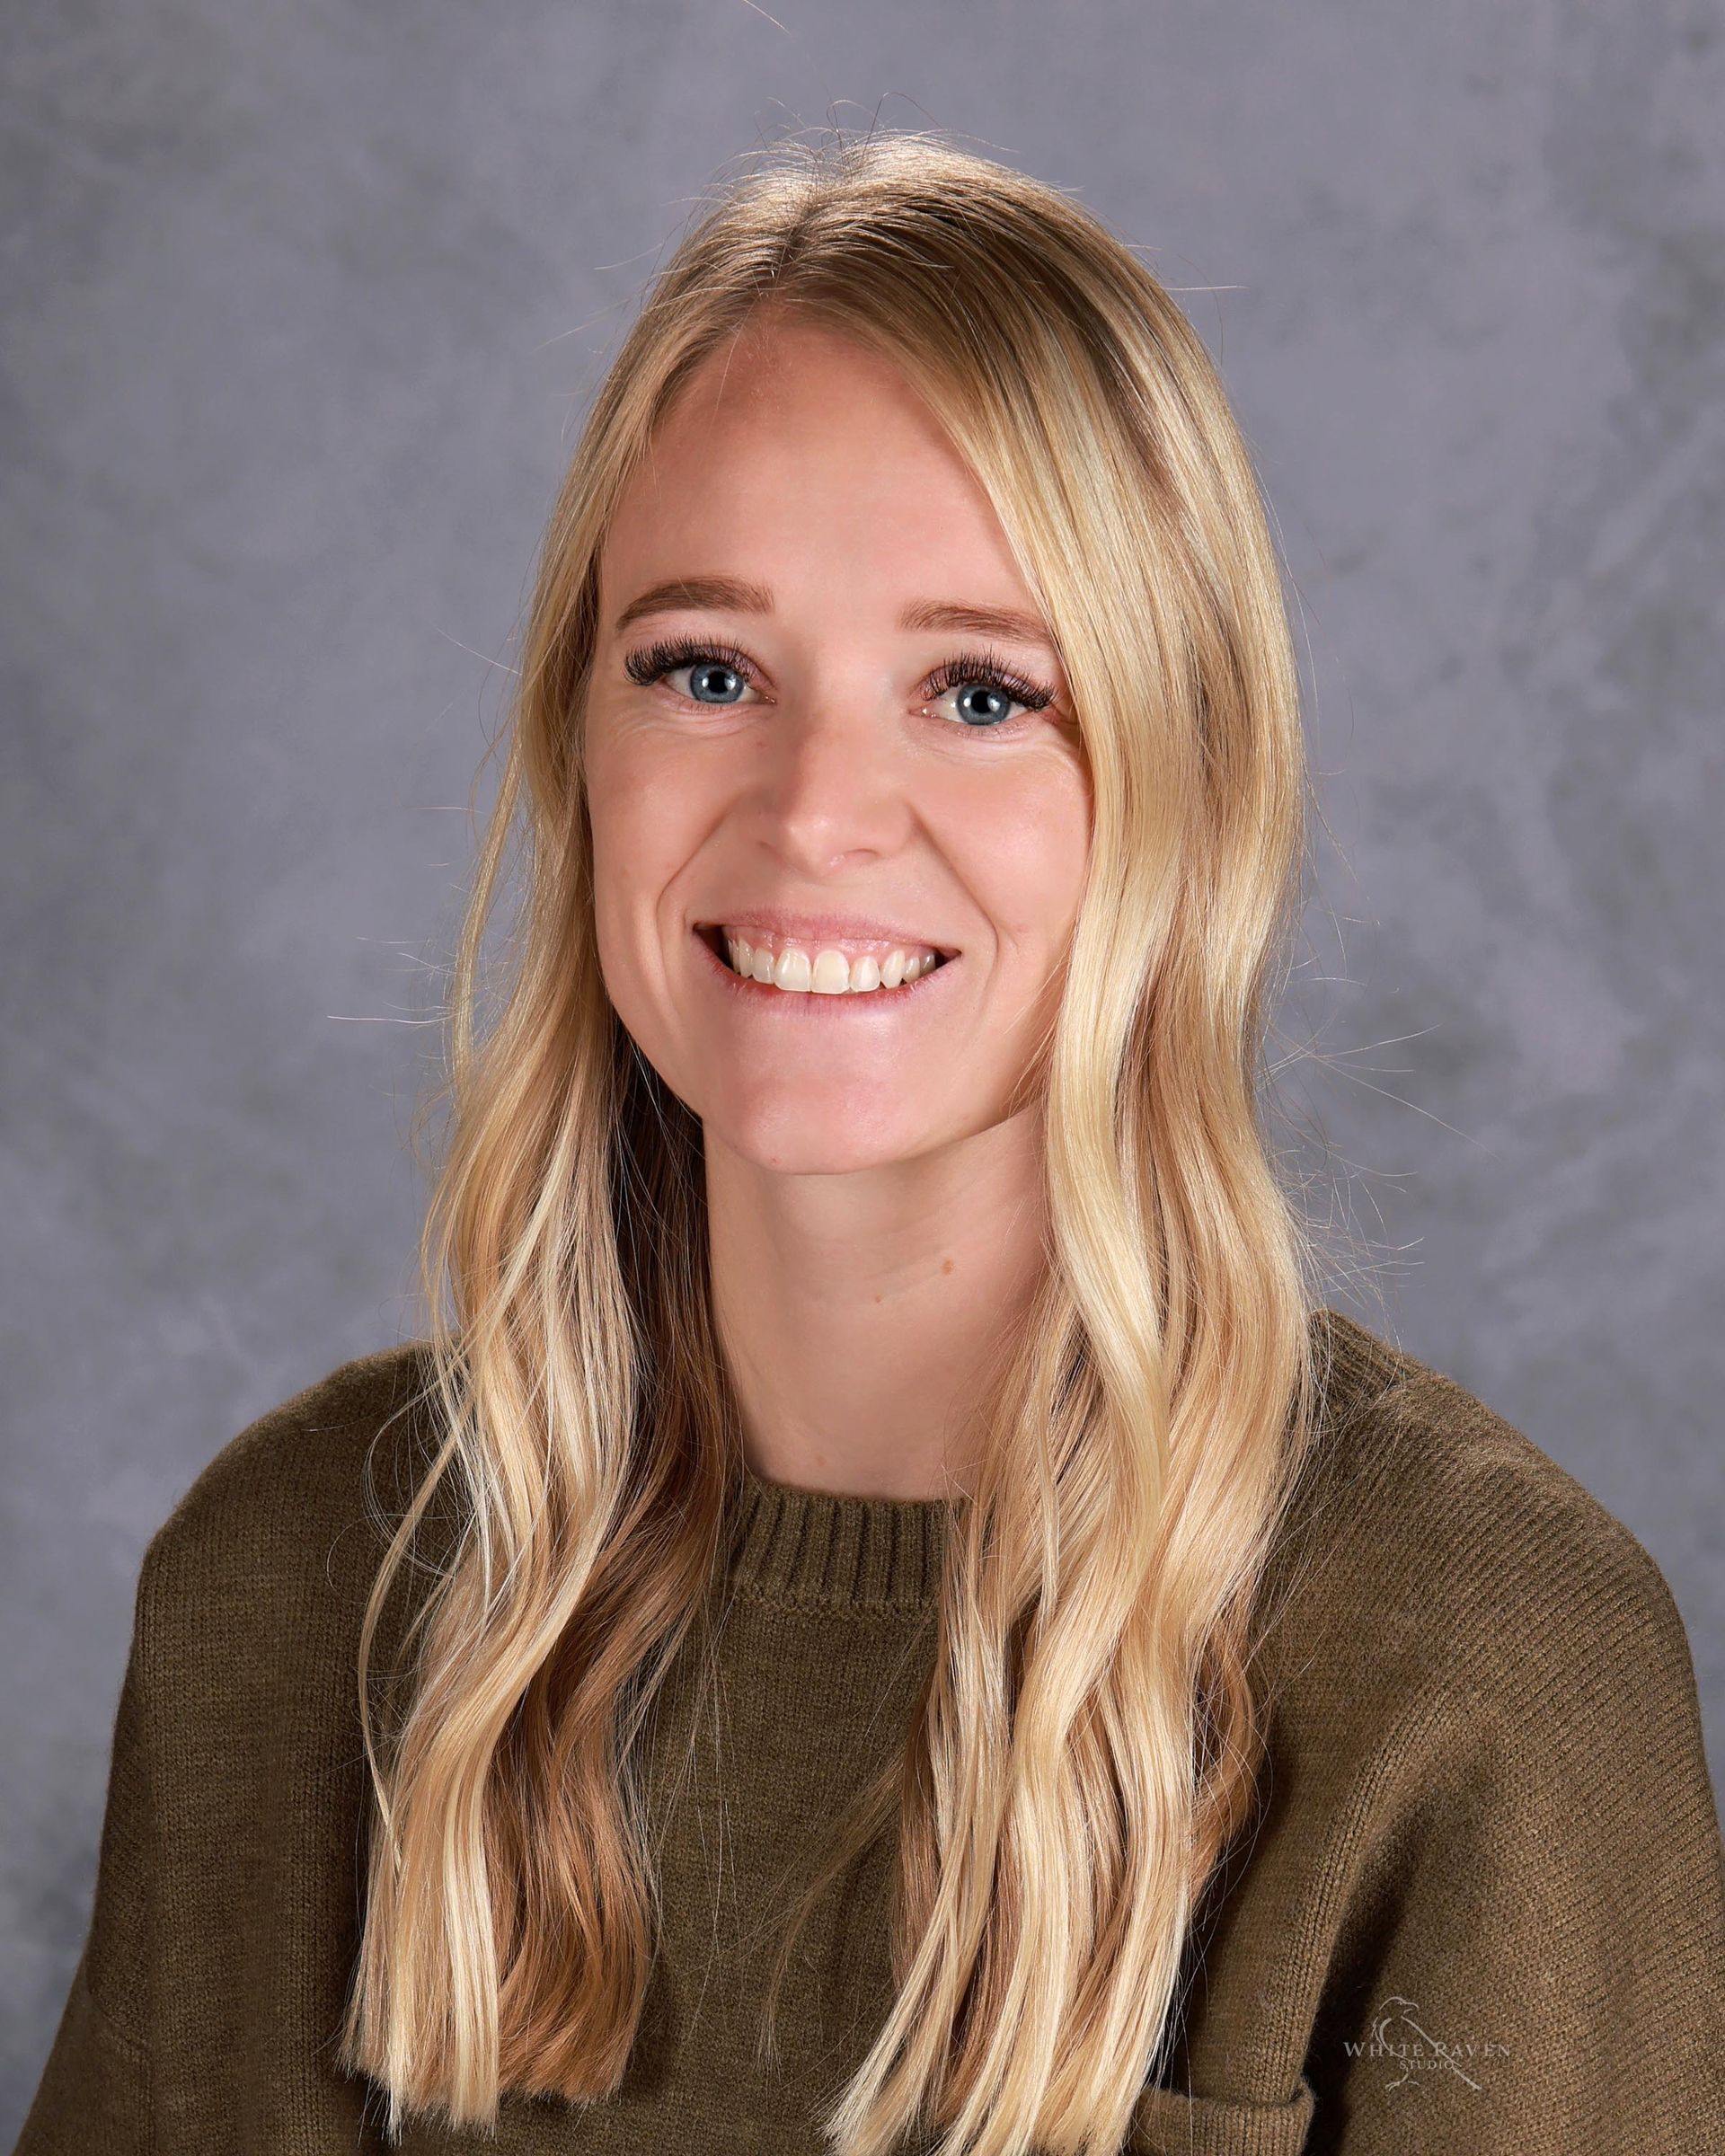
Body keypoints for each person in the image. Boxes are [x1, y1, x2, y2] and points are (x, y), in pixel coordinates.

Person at [17, 131, 1722, 2156]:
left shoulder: (1487, 1677)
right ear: (580, 745)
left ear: (1189, 786)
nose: (818, 810)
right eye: (705, 670)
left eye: (982, 692)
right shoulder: (295, 1594)